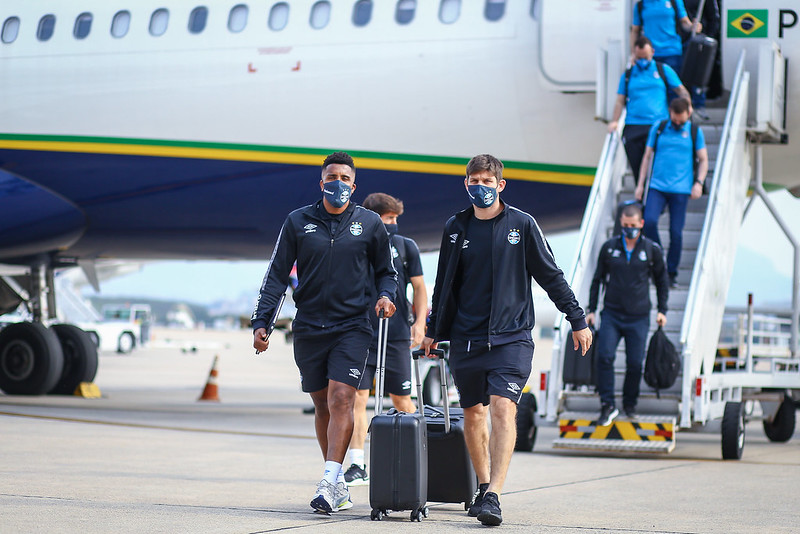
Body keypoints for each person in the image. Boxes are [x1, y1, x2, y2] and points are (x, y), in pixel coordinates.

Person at [421, 154, 592, 527]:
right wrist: (433, 331)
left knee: (502, 407)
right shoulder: (456, 227)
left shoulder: (522, 225)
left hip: (511, 337)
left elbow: (551, 275)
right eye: (473, 180)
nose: (479, 186)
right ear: (465, 183)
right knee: (473, 412)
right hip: (466, 339)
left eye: (486, 180)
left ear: (500, 185)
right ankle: (482, 486)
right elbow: (444, 284)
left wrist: (577, 318)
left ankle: (495, 494)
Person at [251, 151, 397, 515]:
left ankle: (330, 479)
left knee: (341, 399)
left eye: (345, 179)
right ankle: (338, 483)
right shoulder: (298, 222)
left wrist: (385, 296)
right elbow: (276, 275)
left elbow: (386, 272)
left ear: (353, 185)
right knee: (322, 405)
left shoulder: (370, 224)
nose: (338, 184)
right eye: (331, 177)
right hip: (309, 326)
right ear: (321, 183)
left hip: (353, 325)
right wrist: (262, 322)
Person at [343, 192, 427, 487]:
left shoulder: (406, 247)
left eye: (395, 219)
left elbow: (419, 287)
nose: (393, 224)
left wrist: (419, 322)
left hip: (396, 334)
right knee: (357, 397)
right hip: (359, 332)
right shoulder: (354, 244)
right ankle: (357, 464)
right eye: (388, 218)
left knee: (402, 399)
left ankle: (421, 459)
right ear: (373, 218)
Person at [586, 202, 670, 426]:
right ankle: (607, 405)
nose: (629, 228)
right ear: (620, 224)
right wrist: (591, 309)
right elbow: (597, 280)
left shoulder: (651, 250)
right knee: (604, 356)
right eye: (625, 225)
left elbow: (662, 282)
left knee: (634, 363)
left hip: (639, 316)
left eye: (633, 225)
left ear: (641, 224)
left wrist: (663, 310)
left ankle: (629, 404)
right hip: (612, 314)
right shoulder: (609, 247)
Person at [636, 97, 708, 288]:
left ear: (688, 115)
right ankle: (657, 261)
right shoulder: (659, 127)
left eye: (681, 121)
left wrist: (698, 183)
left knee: (676, 232)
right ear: (670, 113)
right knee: (649, 221)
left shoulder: (694, 131)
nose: (677, 124)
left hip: (681, 189)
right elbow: (646, 156)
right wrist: (640, 185)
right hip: (657, 186)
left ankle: (671, 272)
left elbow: (703, 160)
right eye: (675, 120)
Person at [608, 36, 690, 185]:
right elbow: (620, 101)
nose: (642, 61)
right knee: (638, 168)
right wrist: (614, 121)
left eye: (645, 57)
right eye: (638, 57)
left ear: (652, 52)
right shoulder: (627, 75)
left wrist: (687, 109)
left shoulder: (663, 70)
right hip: (634, 126)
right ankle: (641, 197)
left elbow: (682, 92)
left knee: (659, 167)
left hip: (658, 124)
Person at [631, 0, 700, 78]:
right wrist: (634, 53)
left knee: (674, 87)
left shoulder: (675, 1)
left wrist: (692, 27)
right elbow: (635, 31)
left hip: (672, 52)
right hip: (650, 55)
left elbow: (684, 22)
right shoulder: (640, 5)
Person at [683, 0, 721, 116]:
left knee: (699, 74)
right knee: (683, 75)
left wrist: (707, 38)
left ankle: (699, 105)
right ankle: (684, 106)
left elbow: (714, 18)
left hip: (700, 40)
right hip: (679, 41)